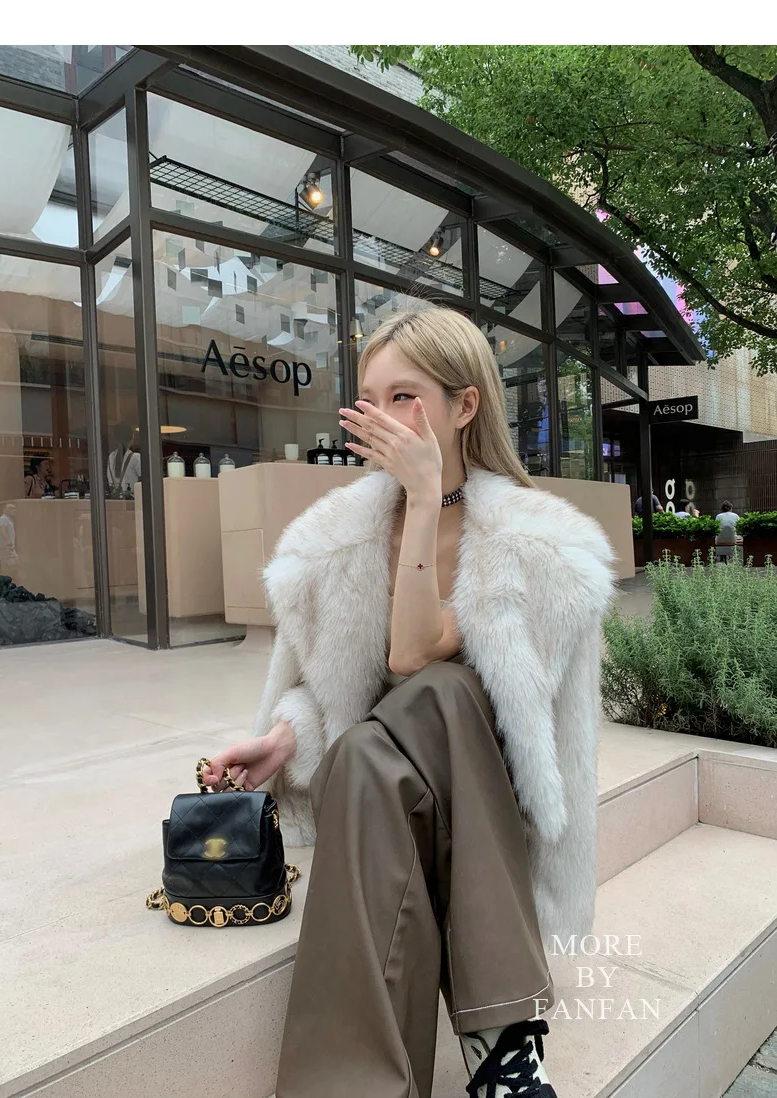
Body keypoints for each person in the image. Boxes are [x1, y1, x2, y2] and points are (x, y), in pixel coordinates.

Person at [201, 308, 615, 1098]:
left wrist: (427, 503)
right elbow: (332, 690)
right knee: (364, 749)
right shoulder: (333, 542)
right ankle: (503, 1046)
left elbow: (412, 656)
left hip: (483, 808)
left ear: (464, 406)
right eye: (372, 399)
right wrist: (286, 740)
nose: (384, 418)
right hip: (379, 793)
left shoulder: (540, 547)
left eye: (405, 397)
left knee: (445, 692)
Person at [106, 424, 142, 494]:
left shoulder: (111, 457)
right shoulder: (136, 458)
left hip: (115, 499)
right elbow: (146, 481)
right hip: (133, 498)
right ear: (132, 438)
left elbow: (109, 481)